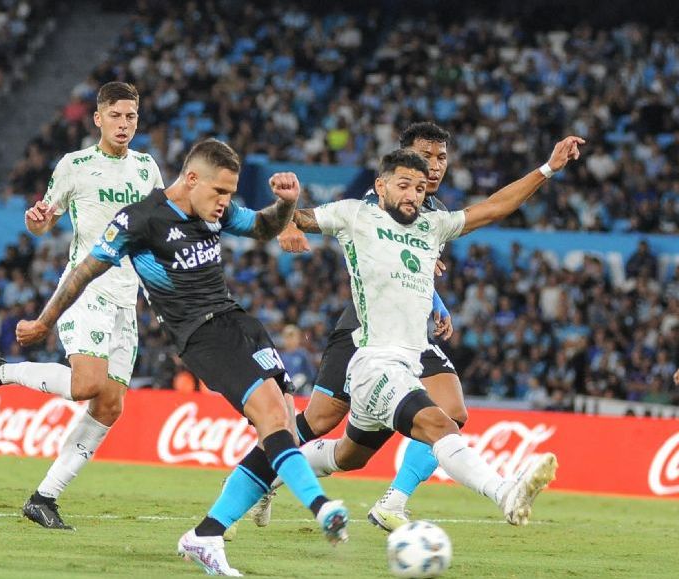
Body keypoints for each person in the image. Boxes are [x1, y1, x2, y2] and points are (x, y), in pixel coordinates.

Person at [212, 135, 584, 541]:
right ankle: (504, 492)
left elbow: (493, 208)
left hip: (410, 361)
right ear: (381, 186)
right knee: (439, 424)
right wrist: (285, 216)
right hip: (374, 363)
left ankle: (270, 475)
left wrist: (547, 169)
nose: (413, 195)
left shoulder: (433, 223)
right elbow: (293, 218)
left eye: (420, 188)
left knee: (349, 456)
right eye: (404, 185)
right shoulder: (355, 215)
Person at [15, 139, 348, 576]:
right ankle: (321, 508)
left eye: (229, 194)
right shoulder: (140, 220)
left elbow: (263, 227)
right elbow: (84, 271)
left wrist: (286, 205)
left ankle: (206, 535)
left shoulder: (215, 210)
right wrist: (43, 321)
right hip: (202, 335)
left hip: (239, 323)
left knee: (286, 424)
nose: (225, 203)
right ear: (191, 179)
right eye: (220, 193)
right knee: (272, 420)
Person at [230, 122, 465, 535]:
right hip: (364, 329)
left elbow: (412, 269)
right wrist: (287, 225)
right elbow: (308, 221)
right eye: (425, 156)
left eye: (441, 157)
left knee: (453, 411)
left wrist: (437, 301)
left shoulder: (438, 213)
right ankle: (261, 474)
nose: (434, 166)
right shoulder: (380, 202)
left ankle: (393, 502)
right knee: (319, 421)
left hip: (410, 336)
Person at [0, 81, 164, 530]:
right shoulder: (75, 165)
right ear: (98, 118)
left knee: (110, 406)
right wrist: (37, 221)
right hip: (84, 288)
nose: (124, 124)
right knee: (88, 384)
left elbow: (159, 229)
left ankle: (44, 497)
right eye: (115, 115)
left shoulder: (148, 169)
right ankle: (0, 371)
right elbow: (42, 222)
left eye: (131, 116)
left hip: (127, 300)